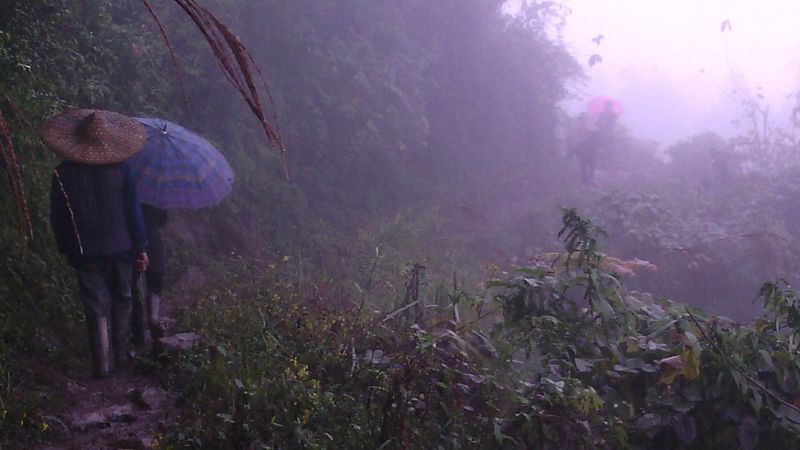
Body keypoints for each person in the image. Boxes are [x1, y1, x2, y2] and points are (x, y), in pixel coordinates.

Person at [45, 109, 149, 378]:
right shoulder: (123, 171)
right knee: (123, 299)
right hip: (122, 248)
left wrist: (66, 247)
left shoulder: (62, 173)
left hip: (85, 250)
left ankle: (101, 364)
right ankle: (122, 356)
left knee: (95, 305)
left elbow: (58, 216)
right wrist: (141, 246)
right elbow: (133, 212)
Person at [132, 204, 168, 351]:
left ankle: (137, 336)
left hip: (129, 242)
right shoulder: (154, 195)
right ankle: (153, 318)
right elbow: (162, 219)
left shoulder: (124, 190)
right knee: (155, 281)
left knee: (132, 288)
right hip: (151, 240)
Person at [574, 101, 618, 185]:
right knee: (587, 156)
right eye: (606, 105)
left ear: (611, 106)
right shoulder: (601, 114)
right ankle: (586, 178)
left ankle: (605, 164)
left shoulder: (613, 114)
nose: (607, 107)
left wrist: (607, 124)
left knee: (608, 148)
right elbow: (597, 123)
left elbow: (613, 123)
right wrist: (600, 123)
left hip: (608, 133)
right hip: (600, 133)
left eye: (609, 105)